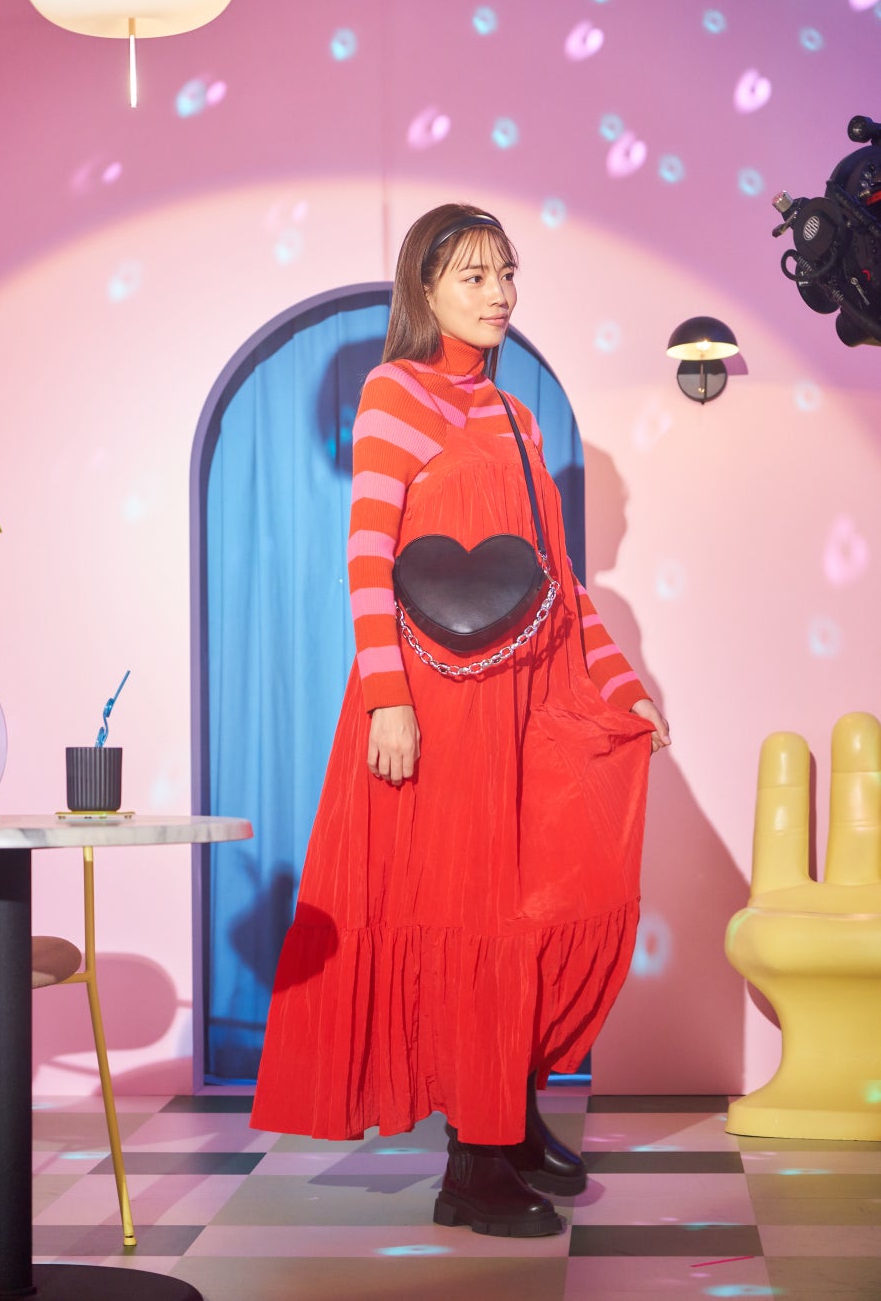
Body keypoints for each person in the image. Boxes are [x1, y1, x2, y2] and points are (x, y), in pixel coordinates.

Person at [251, 203, 670, 1238]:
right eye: (474, 277)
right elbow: (367, 558)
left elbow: (559, 582)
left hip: (526, 705)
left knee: (530, 908)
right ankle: (472, 1167)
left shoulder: (518, 417)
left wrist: (622, 687)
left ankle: (508, 1119)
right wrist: (388, 698)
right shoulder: (394, 393)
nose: (498, 295)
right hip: (440, 707)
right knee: (472, 917)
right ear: (425, 288)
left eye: (506, 274)